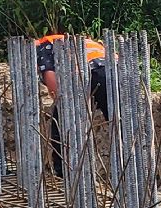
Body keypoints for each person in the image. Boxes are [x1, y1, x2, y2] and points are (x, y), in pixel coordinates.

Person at [35, 34, 109, 175]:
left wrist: (67, 107)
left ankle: (63, 173)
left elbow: (55, 90)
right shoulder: (65, 40)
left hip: (93, 73)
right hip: (115, 70)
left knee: (60, 124)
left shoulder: (41, 49)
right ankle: (132, 170)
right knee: (121, 125)